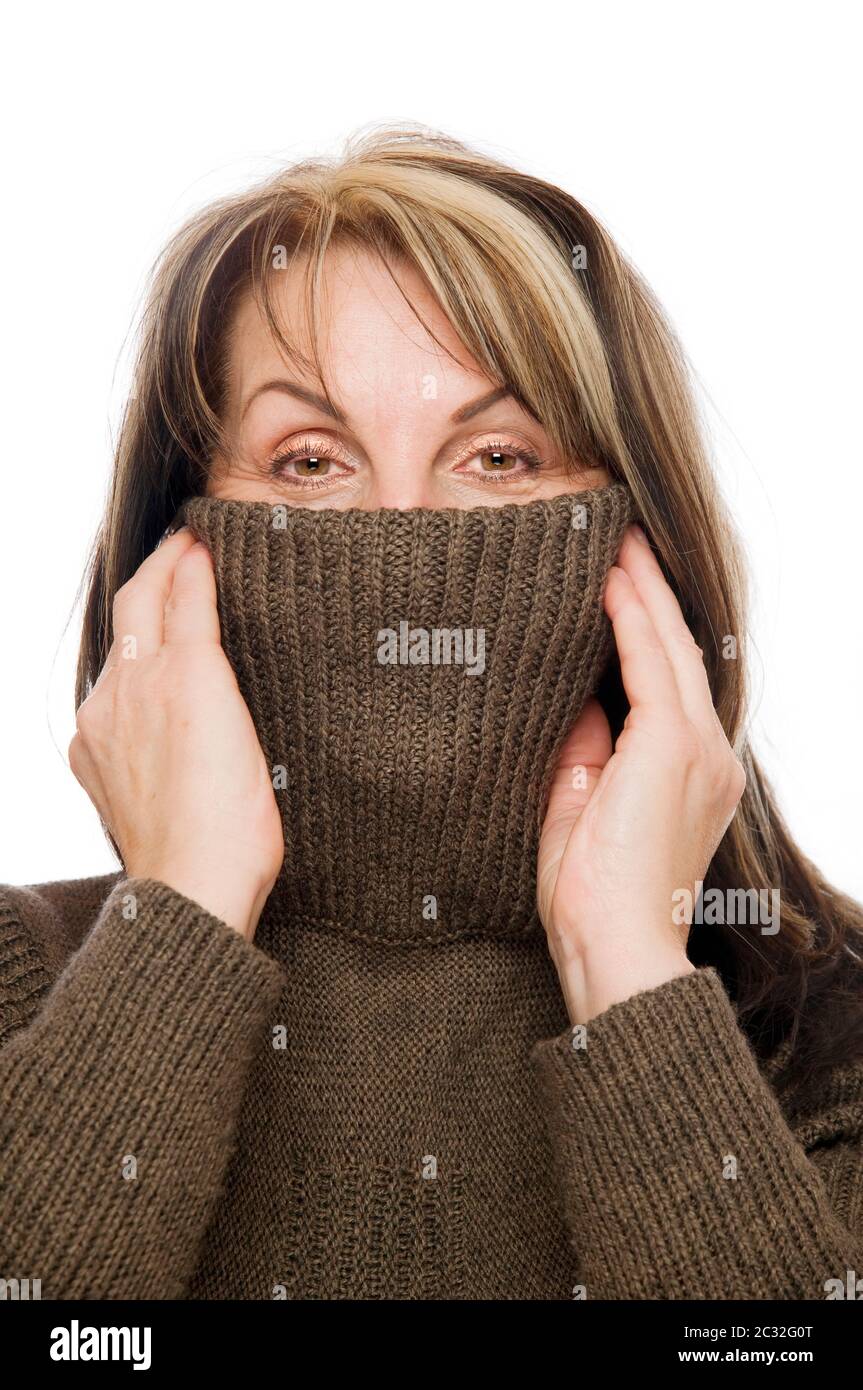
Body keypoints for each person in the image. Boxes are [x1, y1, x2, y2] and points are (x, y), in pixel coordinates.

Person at [1, 127, 861, 1300]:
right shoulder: (21, 989)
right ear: (176, 543)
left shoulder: (833, 1047)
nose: (404, 525)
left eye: (498, 457)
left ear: (637, 538)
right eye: (308, 461)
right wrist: (178, 922)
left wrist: (632, 983)